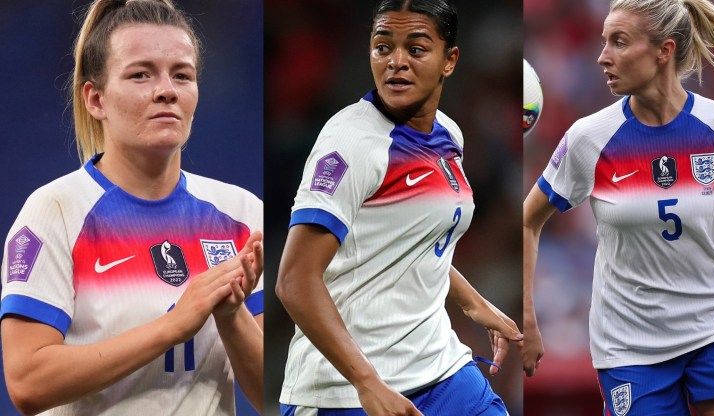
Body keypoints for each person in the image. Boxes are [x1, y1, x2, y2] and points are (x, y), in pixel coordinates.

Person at [522, 0, 714, 415]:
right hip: (630, 343)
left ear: (664, 51)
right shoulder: (588, 138)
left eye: (619, 42)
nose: (602, 57)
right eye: (602, 41)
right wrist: (528, 316)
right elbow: (527, 222)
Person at [0, 1, 264, 415]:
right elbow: (27, 382)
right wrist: (172, 327)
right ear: (95, 99)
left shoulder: (241, 212)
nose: (167, 90)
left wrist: (231, 317)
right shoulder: (55, 210)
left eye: (182, 75)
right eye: (141, 74)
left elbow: (274, 396)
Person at [275, 1, 522, 415]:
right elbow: (294, 280)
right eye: (383, 47)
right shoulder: (350, 142)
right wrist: (367, 383)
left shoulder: (449, 134)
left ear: (450, 60)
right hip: (346, 389)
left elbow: (413, 238)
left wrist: (471, 302)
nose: (396, 62)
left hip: (442, 368)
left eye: (416, 49)